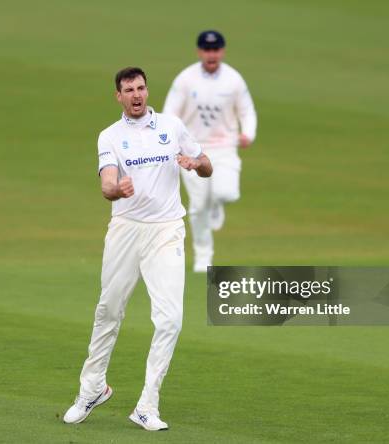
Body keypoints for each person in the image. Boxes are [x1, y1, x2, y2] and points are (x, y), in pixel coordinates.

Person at [63, 67, 212, 431]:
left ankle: (147, 405)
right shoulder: (110, 136)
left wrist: (195, 164)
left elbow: (207, 165)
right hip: (126, 230)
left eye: (141, 88)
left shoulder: (171, 127)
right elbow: (106, 185)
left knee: (170, 320)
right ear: (118, 96)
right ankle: (92, 389)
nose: (136, 95)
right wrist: (118, 190)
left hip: (166, 231)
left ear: (148, 90)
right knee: (109, 310)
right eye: (128, 90)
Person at [163, 30, 257, 272]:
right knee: (197, 205)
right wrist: (173, 143)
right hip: (193, 149)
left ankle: (218, 201)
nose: (211, 54)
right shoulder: (185, 79)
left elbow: (247, 110)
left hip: (225, 146)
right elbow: (170, 112)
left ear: (222, 51)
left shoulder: (234, 79)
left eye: (215, 49)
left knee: (226, 193)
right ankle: (203, 257)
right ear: (199, 51)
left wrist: (248, 133)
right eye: (207, 49)